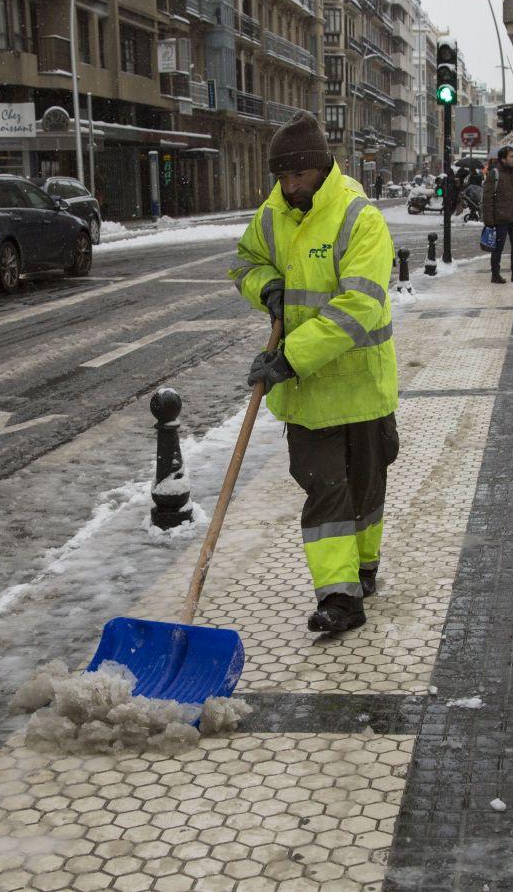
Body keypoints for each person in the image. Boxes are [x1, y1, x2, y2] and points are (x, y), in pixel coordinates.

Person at [228, 112, 398, 635]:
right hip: (309, 397)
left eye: (296, 176)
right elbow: (244, 262)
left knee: (367, 489)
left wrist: (289, 357)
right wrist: (265, 287)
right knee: (325, 489)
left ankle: (364, 569)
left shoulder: (357, 217)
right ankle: (339, 597)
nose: (288, 186)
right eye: (280, 177)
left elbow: (359, 305)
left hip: (361, 385)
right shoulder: (272, 214)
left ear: (321, 167)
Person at [481, 145, 513, 285]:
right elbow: (487, 198)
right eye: (511, 157)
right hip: (500, 218)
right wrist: (489, 220)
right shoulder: (494, 173)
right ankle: (495, 274)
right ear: (503, 159)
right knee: (497, 248)